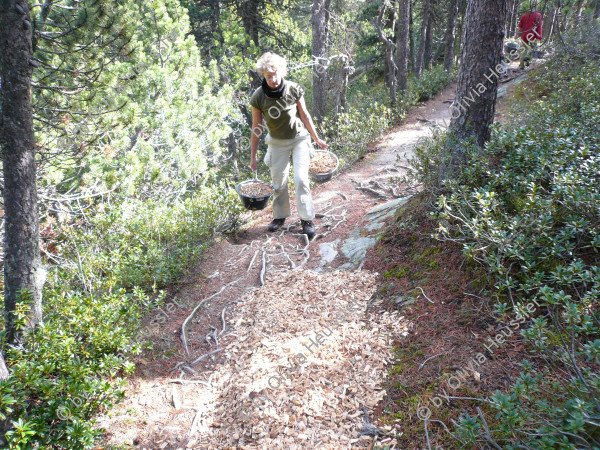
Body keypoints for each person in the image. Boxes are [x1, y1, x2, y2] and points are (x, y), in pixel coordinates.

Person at [249, 52, 329, 238]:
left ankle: (306, 219)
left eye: (276, 74)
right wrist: (252, 156)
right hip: (277, 143)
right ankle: (280, 216)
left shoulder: (293, 89)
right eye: (269, 76)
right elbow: (256, 128)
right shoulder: (258, 97)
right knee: (279, 183)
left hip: (299, 139)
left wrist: (317, 139)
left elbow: (305, 115)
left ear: (281, 72)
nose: (274, 79)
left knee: (301, 179)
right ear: (264, 76)